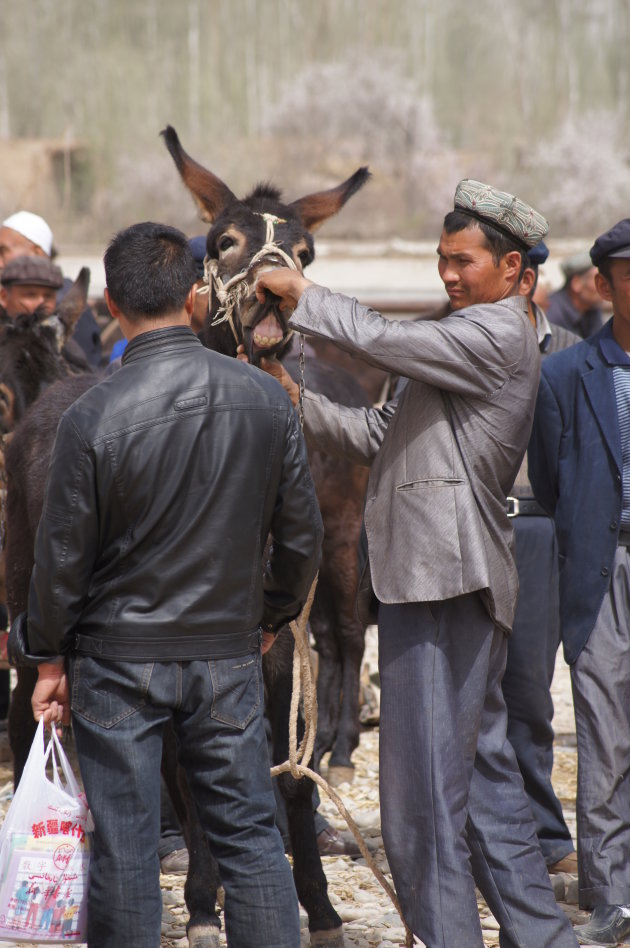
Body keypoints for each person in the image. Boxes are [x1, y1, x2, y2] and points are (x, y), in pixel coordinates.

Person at [251, 179, 578, 947]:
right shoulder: (459, 336)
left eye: (464, 261)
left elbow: (383, 340)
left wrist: (304, 294)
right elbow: (375, 437)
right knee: (487, 789)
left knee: (421, 801)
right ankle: (545, 937)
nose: (450, 275)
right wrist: (290, 391)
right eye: (441, 260)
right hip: (441, 577)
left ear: (516, 274)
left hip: (444, 577)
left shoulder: (497, 332)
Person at [8, 220, 323, 948]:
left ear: (111, 305)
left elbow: (61, 561)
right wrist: (270, 616)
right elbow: (300, 540)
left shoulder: (89, 415)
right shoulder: (268, 401)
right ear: (195, 300)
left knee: (122, 848)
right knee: (249, 839)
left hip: (117, 663)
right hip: (227, 654)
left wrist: (47, 658)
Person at [529, 218, 630, 946]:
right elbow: (548, 479)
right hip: (601, 568)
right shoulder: (564, 374)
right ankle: (610, 896)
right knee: (602, 736)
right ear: (602, 284)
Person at [502, 240, 579, 876]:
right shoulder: (442, 345)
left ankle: (542, 834)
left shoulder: (574, 360)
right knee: (464, 690)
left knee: (529, 688)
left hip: (538, 531)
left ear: (525, 277)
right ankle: (474, 836)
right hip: (466, 530)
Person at [0, 210, 102, 366]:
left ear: (36, 252)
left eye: (3, 252)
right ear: (4, 298)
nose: (42, 302)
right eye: (30, 295)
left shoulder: (69, 304)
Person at [546, 251, 605, 339]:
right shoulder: (552, 314)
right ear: (576, 284)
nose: (604, 285)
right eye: (597, 280)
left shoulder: (592, 309)